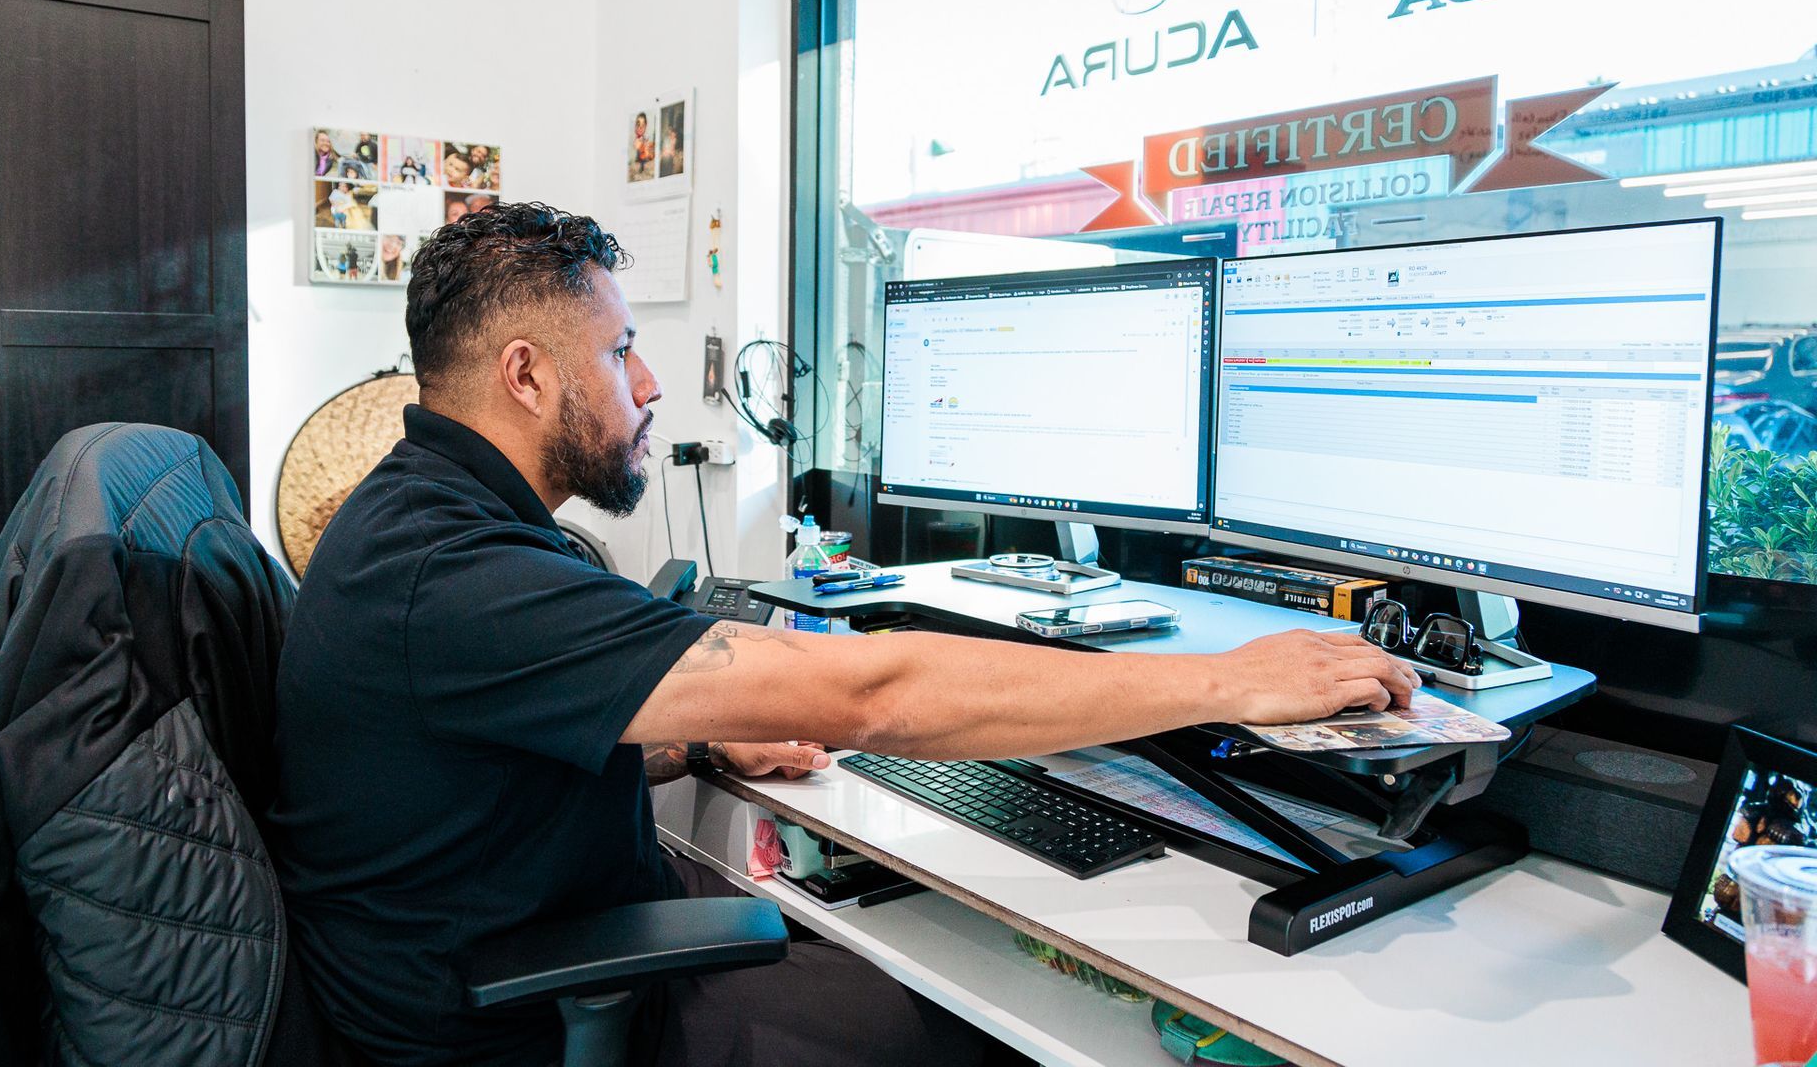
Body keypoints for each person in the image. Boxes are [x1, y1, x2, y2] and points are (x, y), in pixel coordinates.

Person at [269, 202, 1416, 1067]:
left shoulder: (418, 515)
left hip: (489, 958)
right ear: (525, 374)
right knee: (987, 1025)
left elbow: (479, 761)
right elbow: (871, 691)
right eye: (621, 351)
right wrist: (1224, 681)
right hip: (505, 1024)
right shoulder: (457, 576)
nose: (653, 378)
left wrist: (700, 743)